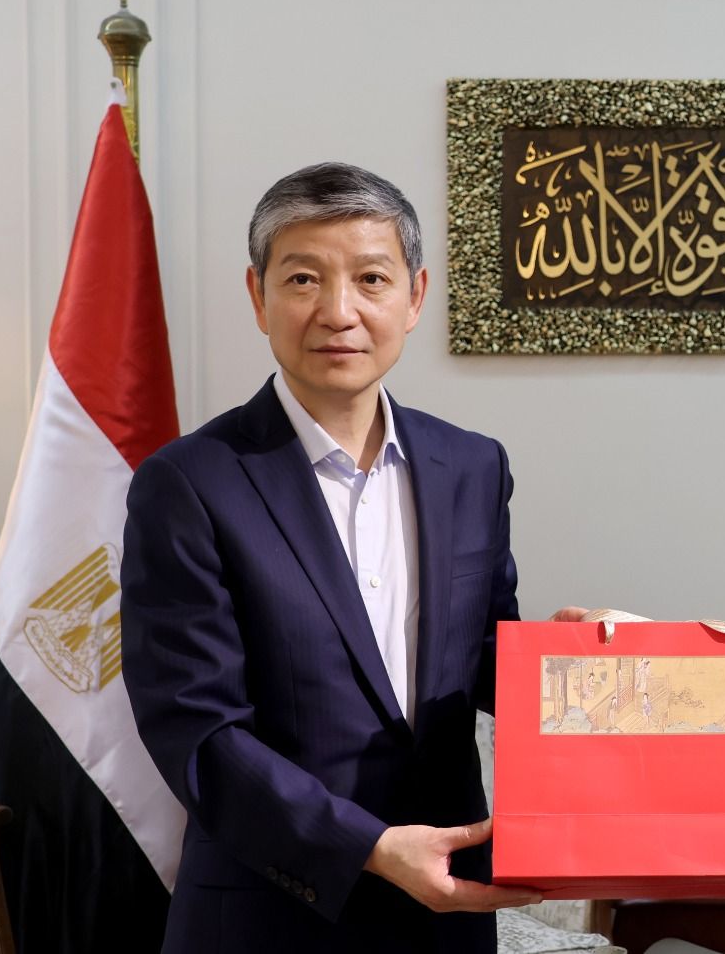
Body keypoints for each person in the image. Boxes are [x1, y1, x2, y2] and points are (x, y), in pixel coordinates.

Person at [122, 163, 580, 953]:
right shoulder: (188, 483)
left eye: (372, 279)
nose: (340, 312)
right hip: (268, 915)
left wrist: (575, 664)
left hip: (447, 914)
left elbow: (478, 660)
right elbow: (197, 730)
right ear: (258, 295)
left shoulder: (472, 466)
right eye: (303, 279)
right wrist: (368, 847)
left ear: (415, 296)